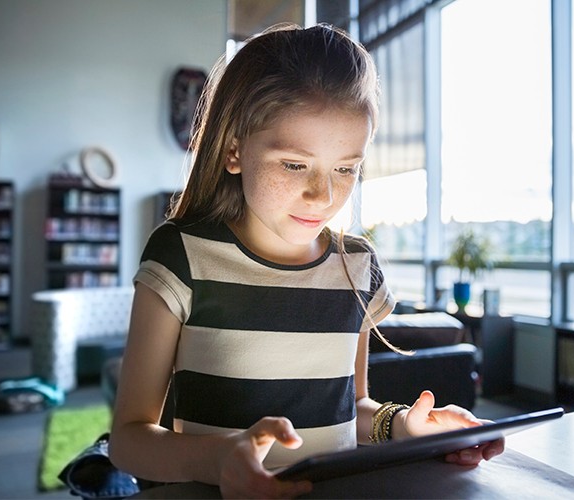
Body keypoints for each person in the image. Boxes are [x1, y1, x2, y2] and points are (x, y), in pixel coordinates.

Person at [109, 23, 504, 499]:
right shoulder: (183, 255)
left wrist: (403, 427)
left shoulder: (355, 265)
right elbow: (128, 440)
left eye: (346, 169)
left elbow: (351, 408)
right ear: (235, 149)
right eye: (295, 164)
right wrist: (218, 460)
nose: (324, 195)